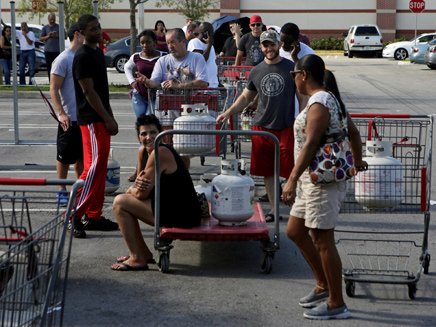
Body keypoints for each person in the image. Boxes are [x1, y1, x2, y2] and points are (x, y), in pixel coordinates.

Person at [282, 54, 368, 320]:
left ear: (304, 75)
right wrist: (357, 159)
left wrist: (292, 179)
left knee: (322, 240)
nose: (293, 79)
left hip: (320, 181)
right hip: (313, 179)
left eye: (293, 74)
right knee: (295, 231)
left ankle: (336, 303)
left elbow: (310, 144)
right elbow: (352, 132)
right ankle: (322, 285)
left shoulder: (320, 102)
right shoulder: (329, 99)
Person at [217, 30, 307, 223]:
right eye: (265, 45)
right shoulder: (256, 71)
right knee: (268, 172)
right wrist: (228, 112)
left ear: (279, 45)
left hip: (285, 127)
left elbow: (302, 95)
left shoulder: (291, 68)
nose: (269, 48)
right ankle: (274, 210)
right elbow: (245, 97)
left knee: (293, 170)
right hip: (261, 127)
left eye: (272, 44)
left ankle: (298, 210)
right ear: (262, 47)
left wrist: (304, 117)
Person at [110, 114, 202, 271]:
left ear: (161, 134)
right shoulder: (143, 152)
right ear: (139, 137)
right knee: (125, 201)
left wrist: (131, 189)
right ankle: (142, 254)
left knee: (120, 203)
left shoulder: (161, 152)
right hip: (167, 205)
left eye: (153, 132)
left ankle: (137, 258)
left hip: (184, 213)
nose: (149, 137)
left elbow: (140, 194)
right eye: (143, 134)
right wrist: (135, 189)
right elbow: (141, 188)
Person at [71, 14, 119, 238]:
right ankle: (74, 215)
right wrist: (106, 118)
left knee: (100, 170)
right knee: (93, 168)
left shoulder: (97, 52)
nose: (98, 31)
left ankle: (94, 215)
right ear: (81, 33)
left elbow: (102, 91)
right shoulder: (82, 56)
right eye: (92, 29)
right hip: (91, 120)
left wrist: (110, 115)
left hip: (101, 118)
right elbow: (89, 92)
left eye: (98, 27)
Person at [135, 28, 208, 169]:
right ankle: (158, 178)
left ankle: (183, 177)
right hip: (166, 114)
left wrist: (179, 85)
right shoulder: (163, 61)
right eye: (168, 43)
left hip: (187, 115)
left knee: (182, 150)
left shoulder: (196, 58)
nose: (170, 46)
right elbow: (155, 82)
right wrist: (147, 81)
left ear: (182, 41)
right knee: (162, 148)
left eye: (173, 42)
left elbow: (203, 82)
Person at [50, 22, 84, 207]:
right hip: (69, 118)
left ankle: (79, 190)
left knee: (81, 157)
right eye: (87, 32)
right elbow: (53, 89)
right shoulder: (63, 59)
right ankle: (61, 191)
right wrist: (61, 113)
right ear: (78, 35)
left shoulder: (83, 56)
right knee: (64, 156)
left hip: (84, 118)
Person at [124, 29, 165, 181]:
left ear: (155, 42)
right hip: (139, 96)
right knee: (142, 131)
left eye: (148, 42)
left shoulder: (163, 57)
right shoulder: (136, 57)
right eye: (142, 42)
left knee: (150, 131)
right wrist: (132, 82)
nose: (145, 45)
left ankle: (145, 168)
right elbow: (127, 67)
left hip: (155, 96)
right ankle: (138, 168)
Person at [187, 21, 218, 88]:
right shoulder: (195, 42)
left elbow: (213, 64)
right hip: (202, 87)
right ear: (204, 33)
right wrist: (209, 45)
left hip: (213, 85)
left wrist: (219, 83)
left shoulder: (211, 46)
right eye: (210, 33)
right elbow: (201, 61)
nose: (212, 36)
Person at [39, 13, 62, 80]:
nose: (52, 21)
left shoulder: (59, 27)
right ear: (48, 19)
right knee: (49, 68)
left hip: (57, 51)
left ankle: (57, 81)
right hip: (48, 51)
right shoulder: (45, 28)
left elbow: (65, 37)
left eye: (53, 19)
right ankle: (51, 82)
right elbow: (41, 39)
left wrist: (57, 36)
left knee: (57, 67)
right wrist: (48, 36)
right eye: (51, 19)